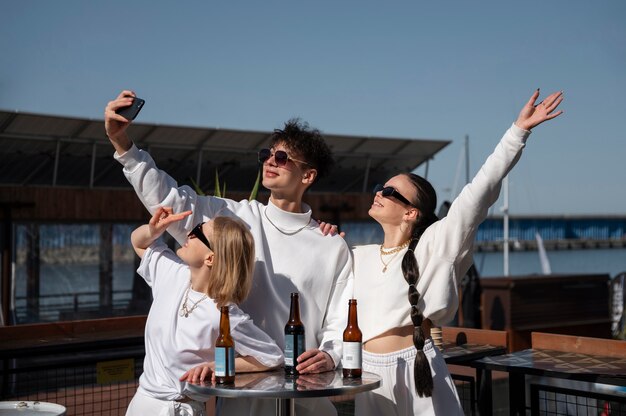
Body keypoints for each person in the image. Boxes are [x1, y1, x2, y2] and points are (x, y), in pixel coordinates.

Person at [105, 91, 353, 416]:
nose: (269, 161)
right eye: (267, 154)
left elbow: (341, 315)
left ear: (308, 176)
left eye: (282, 158)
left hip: (305, 393)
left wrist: (332, 354)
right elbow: (169, 202)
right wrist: (122, 144)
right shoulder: (234, 217)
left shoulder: (331, 244)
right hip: (241, 395)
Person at [352, 90, 564, 415]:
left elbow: (478, 192)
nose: (379, 193)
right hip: (368, 374)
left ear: (412, 213)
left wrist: (517, 133)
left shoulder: (438, 244)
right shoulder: (359, 255)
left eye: (390, 192)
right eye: (379, 188)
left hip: (417, 367)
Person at [126, 207, 283, 416]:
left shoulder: (224, 313)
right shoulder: (172, 274)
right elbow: (138, 242)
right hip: (141, 404)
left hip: (179, 409)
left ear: (210, 258)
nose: (190, 232)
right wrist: (153, 230)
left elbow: (271, 357)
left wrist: (215, 365)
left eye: (199, 232)